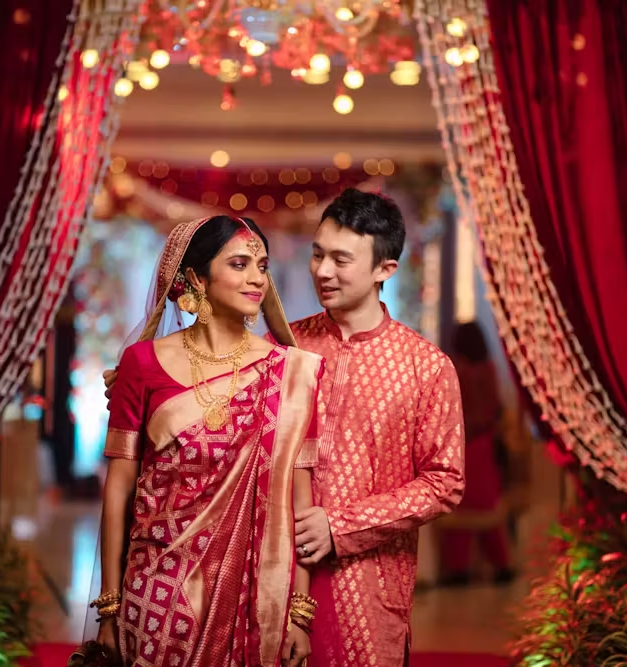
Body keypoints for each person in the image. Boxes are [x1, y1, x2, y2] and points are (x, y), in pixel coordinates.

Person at [105, 190, 466, 666]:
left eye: (341, 259)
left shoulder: (426, 367)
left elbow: (446, 480)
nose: (322, 270)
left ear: (385, 270)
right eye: (318, 254)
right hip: (261, 574)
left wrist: (341, 525)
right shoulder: (284, 347)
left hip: (366, 584)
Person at [89, 215, 324, 667]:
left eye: (262, 265)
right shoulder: (141, 364)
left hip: (254, 595)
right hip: (157, 590)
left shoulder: (291, 372)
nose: (257, 277)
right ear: (195, 277)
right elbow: (118, 488)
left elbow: (299, 498)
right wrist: (110, 605)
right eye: (239, 264)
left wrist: (300, 612)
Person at [437, 321, 514, 586]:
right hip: (486, 442)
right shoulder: (490, 369)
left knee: (461, 512)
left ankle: (459, 570)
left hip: (463, 445)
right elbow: (496, 408)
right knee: (487, 511)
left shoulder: (458, 370)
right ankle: (501, 565)